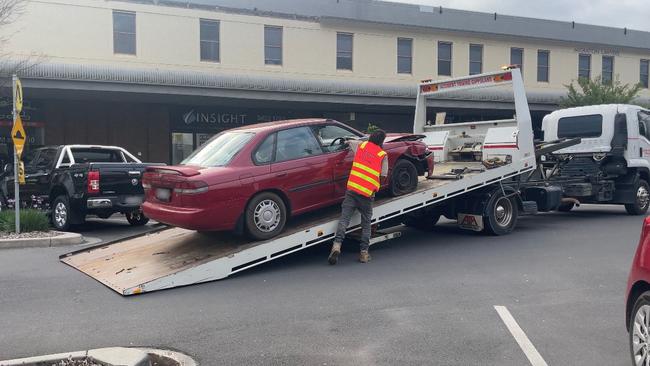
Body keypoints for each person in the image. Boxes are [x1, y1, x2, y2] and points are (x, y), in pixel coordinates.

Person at [328, 129, 388, 265]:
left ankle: (336, 245)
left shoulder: (361, 146)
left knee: (344, 219)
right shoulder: (382, 154)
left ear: (371, 137)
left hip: (353, 189)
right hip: (367, 194)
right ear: (382, 141)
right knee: (366, 224)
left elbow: (349, 142)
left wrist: (347, 140)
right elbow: (383, 175)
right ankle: (364, 253)